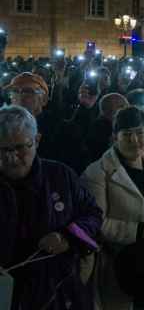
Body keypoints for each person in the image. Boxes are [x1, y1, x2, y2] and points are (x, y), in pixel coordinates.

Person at [81, 106, 144, 310]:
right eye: (127, 134)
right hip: (124, 270)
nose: (135, 140)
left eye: (140, 133)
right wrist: (137, 231)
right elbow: (95, 223)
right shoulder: (97, 174)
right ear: (115, 137)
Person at [0, 105, 103, 310]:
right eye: (2, 150)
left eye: (21, 148)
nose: (11, 158)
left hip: (58, 292)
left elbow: (93, 215)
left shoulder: (61, 176)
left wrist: (67, 237)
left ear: (37, 140)